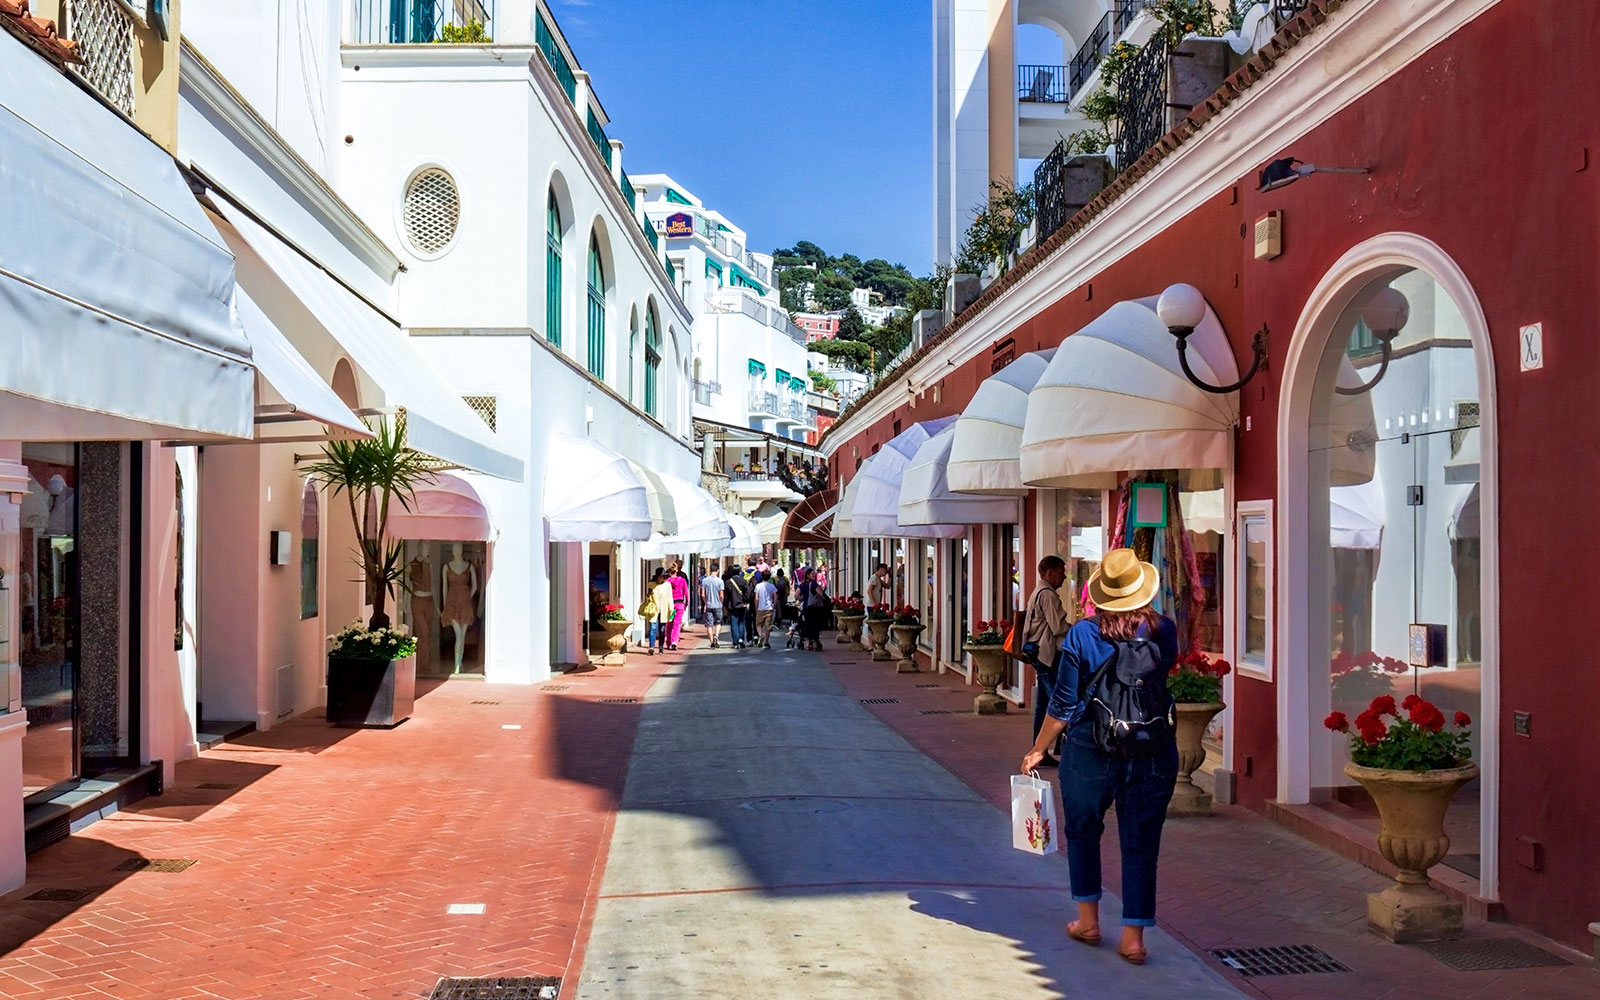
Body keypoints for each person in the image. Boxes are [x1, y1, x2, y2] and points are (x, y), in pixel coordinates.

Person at [1021, 547, 1179, 967]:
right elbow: (1162, 677)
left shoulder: (1083, 634)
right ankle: (1133, 938)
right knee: (1142, 843)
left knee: (1083, 831)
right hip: (1153, 747)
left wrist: (1039, 747)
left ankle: (1088, 920)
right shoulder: (1164, 630)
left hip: (1092, 744)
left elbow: (1064, 703)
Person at [1024, 555, 1073, 767]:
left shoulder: (1038, 592)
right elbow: (1058, 627)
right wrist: (1079, 631)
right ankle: (1049, 751)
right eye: (1062, 572)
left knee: (1044, 705)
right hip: (1047, 655)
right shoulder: (1048, 595)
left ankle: (1040, 750)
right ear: (1050, 573)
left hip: (1039, 655)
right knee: (1058, 705)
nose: (1064, 577)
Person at [647, 570, 675, 656]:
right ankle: (651, 647)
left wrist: (671, 609)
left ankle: (661, 648)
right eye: (661, 576)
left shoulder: (667, 585)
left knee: (662, 630)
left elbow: (670, 598)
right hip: (654, 610)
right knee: (653, 628)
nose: (662, 578)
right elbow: (647, 598)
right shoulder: (651, 585)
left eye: (663, 576)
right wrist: (648, 595)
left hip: (664, 610)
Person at [699, 562, 725, 649]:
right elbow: (721, 595)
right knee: (718, 622)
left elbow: (702, 594)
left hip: (709, 605)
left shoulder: (704, 581)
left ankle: (711, 642)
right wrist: (721, 602)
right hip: (718, 605)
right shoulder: (720, 581)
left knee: (709, 625)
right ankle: (716, 636)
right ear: (717, 570)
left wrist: (705, 602)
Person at [723, 566, 749, 649]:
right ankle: (741, 639)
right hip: (742, 604)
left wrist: (725, 605)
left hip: (732, 605)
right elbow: (747, 593)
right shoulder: (743, 581)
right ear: (739, 572)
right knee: (741, 622)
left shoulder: (728, 582)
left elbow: (726, 596)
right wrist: (746, 602)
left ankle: (735, 642)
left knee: (734, 623)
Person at [753, 570, 778, 648]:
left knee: (758, 624)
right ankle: (766, 642)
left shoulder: (758, 586)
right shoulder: (772, 586)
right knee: (768, 626)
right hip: (769, 607)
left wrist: (756, 607)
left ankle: (760, 635)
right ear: (769, 577)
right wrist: (774, 606)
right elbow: (775, 598)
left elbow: (756, 598)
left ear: (761, 577)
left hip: (761, 607)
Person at [668, 561, 689, 650]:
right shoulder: (682, 580)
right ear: (677, 570)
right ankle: (674, 641)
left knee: (669, 623)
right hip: (679, 605)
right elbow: (686, 593)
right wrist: (686, 604)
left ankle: (668, 642)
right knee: (677, 624)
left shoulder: (667, 582)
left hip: (671, 606)